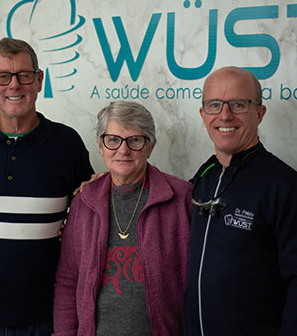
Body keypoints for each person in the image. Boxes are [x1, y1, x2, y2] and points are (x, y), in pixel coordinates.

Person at [0, 38, 94, 336]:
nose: (14, 85)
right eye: (3, 76)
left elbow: (88, 210)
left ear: (39, 81)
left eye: (24, 75)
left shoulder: (67, 144)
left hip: (41, 316)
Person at [181, 66, 297, 336]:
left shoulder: (286, 187)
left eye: (238, 104)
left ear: (259, 113)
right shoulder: (202, 178)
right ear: (203, 115)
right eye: (214, 105)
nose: (225, 115)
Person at [53, 101, 194, 336]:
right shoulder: (84, 202)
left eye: (135, 140)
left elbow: (198, 284)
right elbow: (68, 280)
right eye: (113, 140)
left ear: (150, 146)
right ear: (100, 145)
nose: (123, 150)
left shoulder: (182, 198)